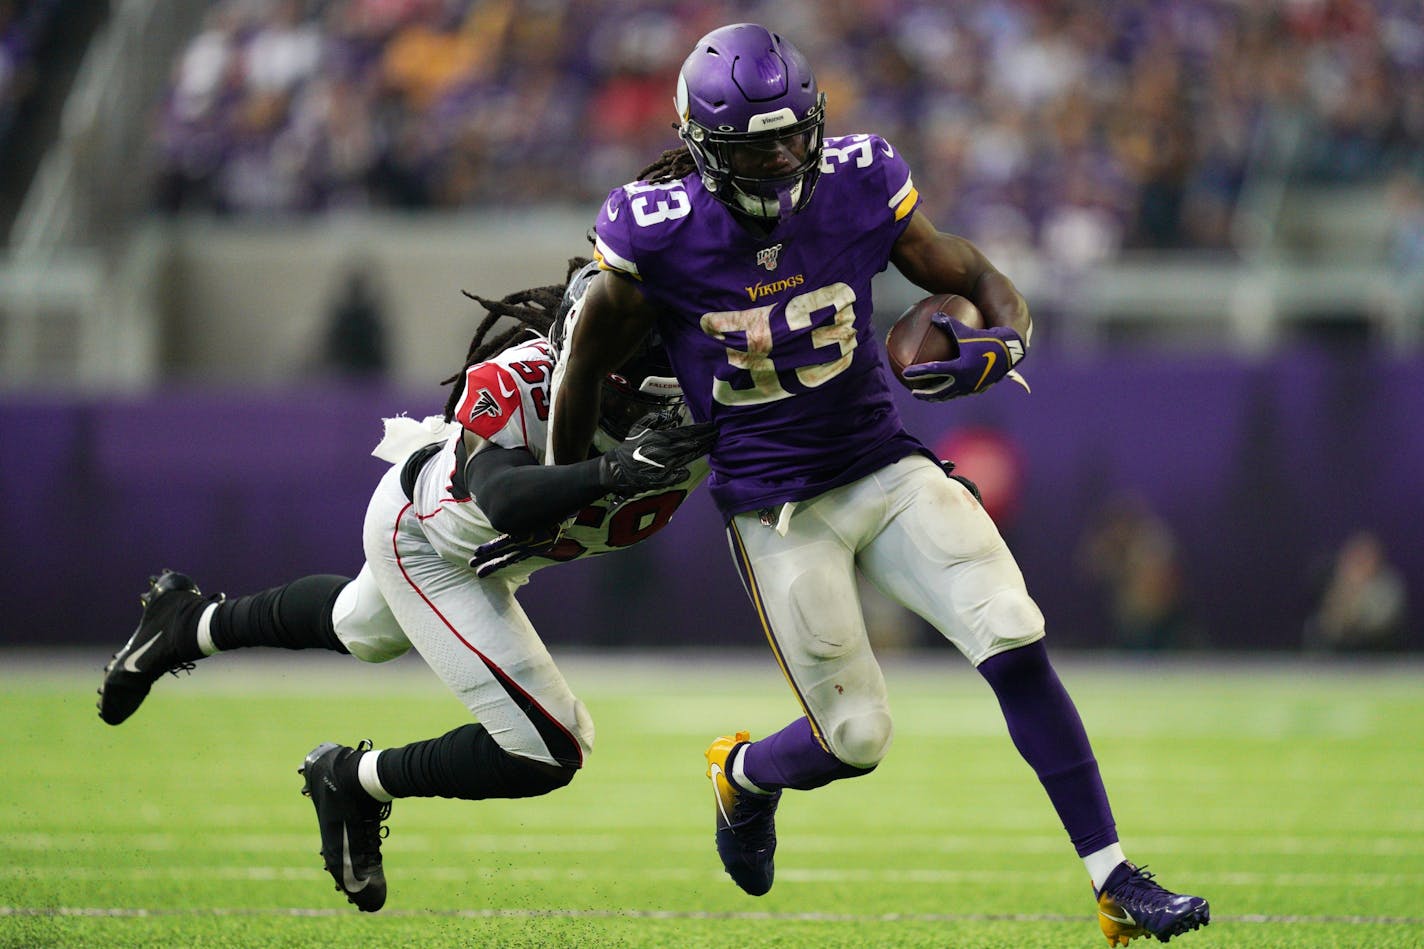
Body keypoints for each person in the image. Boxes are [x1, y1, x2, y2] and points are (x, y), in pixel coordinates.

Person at [549, 23, 1209, 947]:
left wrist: (1008, 335)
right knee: (855, 737)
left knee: (1012, 631)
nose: (782, 158)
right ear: (705, 148)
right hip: (777, 509)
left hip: (880, 466)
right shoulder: (657, 231)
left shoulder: (858, 180)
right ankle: (742, 776)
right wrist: (570, 479)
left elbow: (970, 271)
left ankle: (1112, 880)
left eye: (792, 133)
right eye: (756, 144)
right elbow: (582, 357)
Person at [97, 259, 714, 912]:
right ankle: (354, 778)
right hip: (427, 536)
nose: (630, 412)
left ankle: (185, 622)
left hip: (489, 556)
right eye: (618, 392)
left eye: (648, 401)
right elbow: (504, 498)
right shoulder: (522, 379)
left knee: (359, 627)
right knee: (550, 744)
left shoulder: (707, 407)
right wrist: (610, 470)